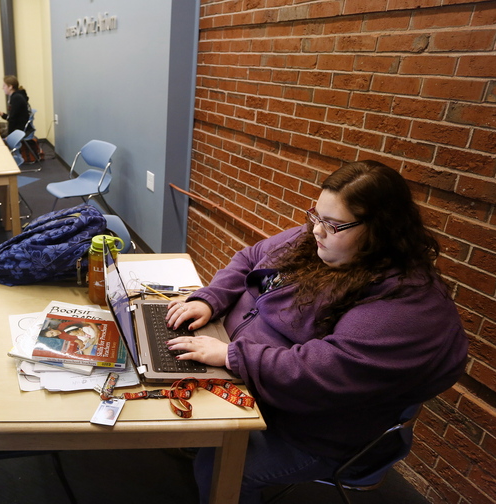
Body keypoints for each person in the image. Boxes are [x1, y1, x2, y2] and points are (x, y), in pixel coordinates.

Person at [165, 161, 469, 503]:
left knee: (223, 464)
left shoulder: (407, 305)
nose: (316, 232)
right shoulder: (324, 241)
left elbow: (324, 371)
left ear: (381, 228)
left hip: (309, 431)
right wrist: (210, 299)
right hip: (249, 379)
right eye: (316, 216)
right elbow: (250, 258)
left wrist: (231, 355)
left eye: (333, 224)